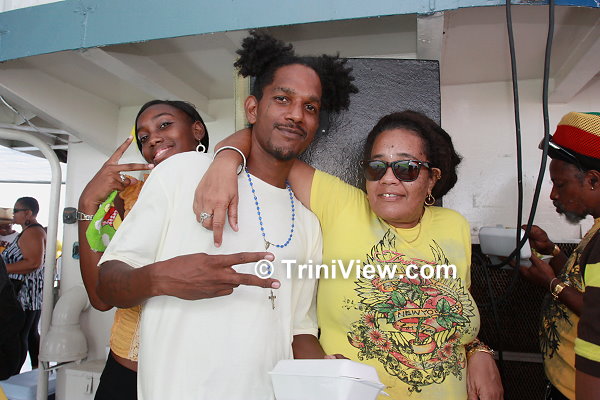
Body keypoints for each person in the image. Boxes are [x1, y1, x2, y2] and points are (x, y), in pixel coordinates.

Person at [96, 31, 357, 400]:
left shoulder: (309, 225)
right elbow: (107, 285)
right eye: (282, 99)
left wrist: (325, 373)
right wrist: (162, 277)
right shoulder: (183, 172)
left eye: (310, 107)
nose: (296, 114)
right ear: (252, 109)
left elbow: (299, 328)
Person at [196, 111, 504, 399]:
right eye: (377, 167)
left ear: (432, 178)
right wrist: (225, 160)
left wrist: (478, 351)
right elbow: (265, 145)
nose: (388, 178)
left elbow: (456, 314)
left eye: (406, 168)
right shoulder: (342, 207)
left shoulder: (454, 226)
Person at [76, 99, 209, 400]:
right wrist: (88, 203)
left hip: (194, 372)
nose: (153, 139)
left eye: (165, 125)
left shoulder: (227, 186)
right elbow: (100, 298)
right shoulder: (128, 197)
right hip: (126, 370)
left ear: (197, 130)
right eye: (144, 137)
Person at [519, 111, 600, 400]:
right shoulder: (596, 227)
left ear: (592, 180)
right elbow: (586, 285)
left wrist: (551, 283)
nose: (553, 195)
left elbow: (595, 313)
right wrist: (552, 250)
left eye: (560, 184)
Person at [3, 197, 46, 371]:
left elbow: (33, 263)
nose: (13, 214)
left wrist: (3, 269)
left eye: (16, 210)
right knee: (28, 333)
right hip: (28, 294)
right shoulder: (29, 231)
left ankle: (14, 374)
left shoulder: (33, 232)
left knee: (19, 334)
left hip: (25, 294)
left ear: (28, 213)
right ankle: (35, 372)